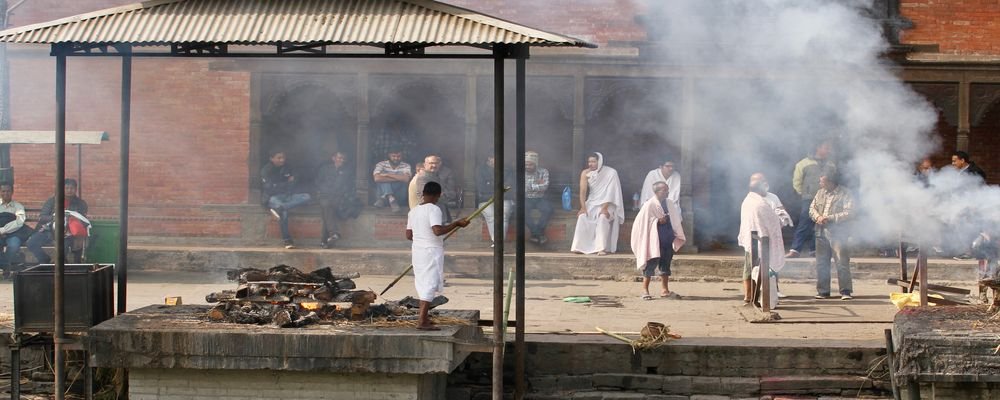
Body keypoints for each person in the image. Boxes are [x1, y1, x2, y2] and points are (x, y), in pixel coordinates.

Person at [406, 182, 469, 330]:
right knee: (429, 284)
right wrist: (457, 224)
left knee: (423, 283)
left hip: (418, 251)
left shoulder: (413, 211)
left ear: (423, 194)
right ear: (438, 195)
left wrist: (422, 238)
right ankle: (422, 321)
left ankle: (424, 318)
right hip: (430, 251)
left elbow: (409, 235)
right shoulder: (434, 209)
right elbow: (437, 231)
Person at [738, 173, 787, 304]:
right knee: (750, 267)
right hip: (754, 238)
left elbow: (781, 212)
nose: (764, 184)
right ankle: (749, 295)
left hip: (769, 237)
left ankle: (771, 293)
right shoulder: (751, 200)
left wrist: (781, 217)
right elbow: (751, 220)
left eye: (764, 181)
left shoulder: (773, 197)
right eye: (760, 182)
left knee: (770, 265)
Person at [631, 181, 685, 300]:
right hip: (654, 240)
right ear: (657, 192)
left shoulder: (670, 203)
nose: (667, 192)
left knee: (665, 265)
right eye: (664, 190)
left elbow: (675, 219)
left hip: (667, 239)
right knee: (650, 265)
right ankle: (645, 290)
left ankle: (664, 290)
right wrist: (657, 221)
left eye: (667, 190)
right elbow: (642, 223)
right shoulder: (649, 205)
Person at [810, 171, 854, 300]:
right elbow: (812, 208)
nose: (820, 183)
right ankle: (823, 291)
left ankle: (845, 291)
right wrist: (818, 217)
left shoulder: (845, 193)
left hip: (839, 233)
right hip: (820, 231)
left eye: (822, 181)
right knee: (822, 262)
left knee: (842, 261)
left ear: (830, 182)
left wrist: (829, 218)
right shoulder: (820, 193)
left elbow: (849, 212)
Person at [787, 140, 835, 258]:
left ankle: (815, 250)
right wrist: (803, 193)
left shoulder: (831, 165)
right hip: (809, 198)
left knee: (821, 224)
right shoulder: (803, 163)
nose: (828, 150)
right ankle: (795, 250)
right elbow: (797, 181)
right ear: (818, 148)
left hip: (826, 199)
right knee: (805, 223)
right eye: (826, 147)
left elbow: (834, 181)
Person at [571, 152, 624, 255]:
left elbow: (611, 192)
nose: (590, 164)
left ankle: (601, 248)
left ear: (599, 162)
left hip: (608, 203)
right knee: (582, 217)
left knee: (603, 217)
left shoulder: (611, 172)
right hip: (592, 202)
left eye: (593, 162)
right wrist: (583, 207)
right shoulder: (585, 173)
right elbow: (582, 191)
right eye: (589, 161)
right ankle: (579, 246)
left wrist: (604, 208)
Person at [26, 179, 89, 264]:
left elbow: (84, 220)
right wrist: (54, 218)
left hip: (69, 233)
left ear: (75, 189)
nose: (69, 190)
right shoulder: (52, 201)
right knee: (32, 243)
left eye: (72, 188)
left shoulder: (80, 203)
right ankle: (45, 260)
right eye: (66, 188)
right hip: (49, 230)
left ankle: (62, 266)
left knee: (63, 246)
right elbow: (43, 217)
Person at [260, 150, 311, 249]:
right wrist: (286, 183)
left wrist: (285, 184)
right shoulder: (266, 170)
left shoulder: (287, 167)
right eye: (279, 158)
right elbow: (269, 188)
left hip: (287, 195)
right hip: (273, 197)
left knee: (307, 196)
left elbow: (295, 181)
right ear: (272, 158)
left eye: (283, 157)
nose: (282, 160)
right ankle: (287, 240)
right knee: (284, 213)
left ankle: (280, 208)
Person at [316, 152, 355, 249]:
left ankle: (325, 240)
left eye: (343, 158)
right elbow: (318, 182)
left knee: (327, 209)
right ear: (333, 158)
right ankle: (333, 234)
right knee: (327, 205)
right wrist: (323, 191)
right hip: (324, 196)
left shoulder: (347, 171)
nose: (342, 160)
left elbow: (348, 186)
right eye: (340, 158)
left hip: (339, 197)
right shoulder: (325, 169)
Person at [475, 156, 513, 247]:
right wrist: (497, 191)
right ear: (488, 159)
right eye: (493, 157)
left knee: (503, 215)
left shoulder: (508, 170)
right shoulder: (481, 170)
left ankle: (499, 242)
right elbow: (481, 188)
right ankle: (496, 241)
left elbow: (508, 187)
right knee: (491, 215)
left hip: (505, 198)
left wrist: (491, 186)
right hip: (485, 200)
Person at [413, 155, 455, 223]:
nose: (434, 165)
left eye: (436, 163)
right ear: (425, 164)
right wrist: (442, 194)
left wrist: (441, 194)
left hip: (440, 211)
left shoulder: (437, 176)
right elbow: (428, 196)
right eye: (431, 163)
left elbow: (452, 194)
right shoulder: (422, 177)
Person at [524, 151, 554, 244]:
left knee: (548, 209)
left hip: (540, 198)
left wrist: (530, 186)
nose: (527, 167)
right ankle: (538, 234)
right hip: (525, 198)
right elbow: (523, 188)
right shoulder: (520, 172)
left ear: (535, 163)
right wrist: (537, 185)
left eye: (530, 164)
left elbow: (545, 187)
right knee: (521, 211)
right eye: (526, 164)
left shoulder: (543, 172)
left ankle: (535, 234)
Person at [0, 183, 28, 274]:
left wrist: (3, 230)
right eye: (3, 191)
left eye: (8, 191)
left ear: (12, 192)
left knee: (13, 245)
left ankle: (7, 265)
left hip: (14, 233)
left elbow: (19, 221)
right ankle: (7, 265)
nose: (5, 193)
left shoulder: (18, 206)